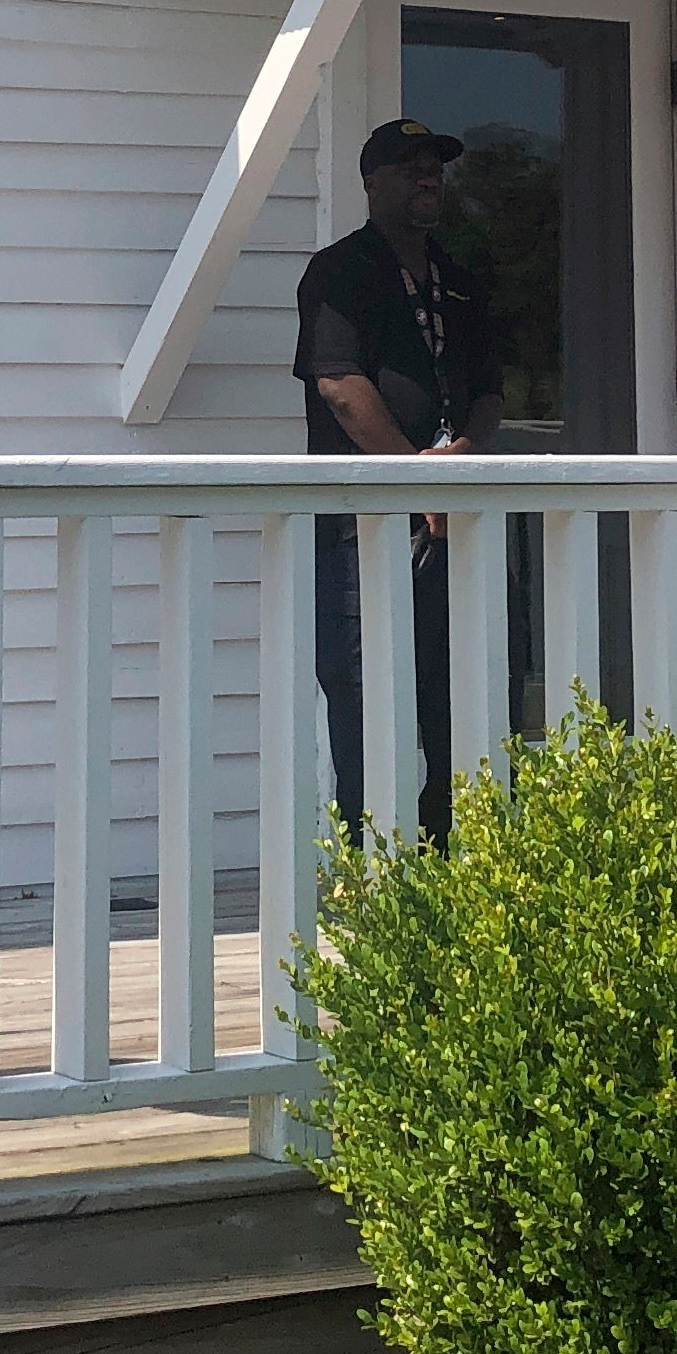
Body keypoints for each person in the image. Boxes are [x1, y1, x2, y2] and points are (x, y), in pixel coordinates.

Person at [295, 118, 503, 838]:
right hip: (363, 527)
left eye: (435, 166)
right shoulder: (340, 272)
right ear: (372, 181)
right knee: (363, 696)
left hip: (449, 525)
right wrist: (422, 487)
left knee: (455, 690)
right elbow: (341, 388)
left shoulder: (461, 281)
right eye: (409, 165)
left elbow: (490, 391)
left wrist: (463, 459)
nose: (427, 177)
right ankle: (369, 861)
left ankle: (450, 850)